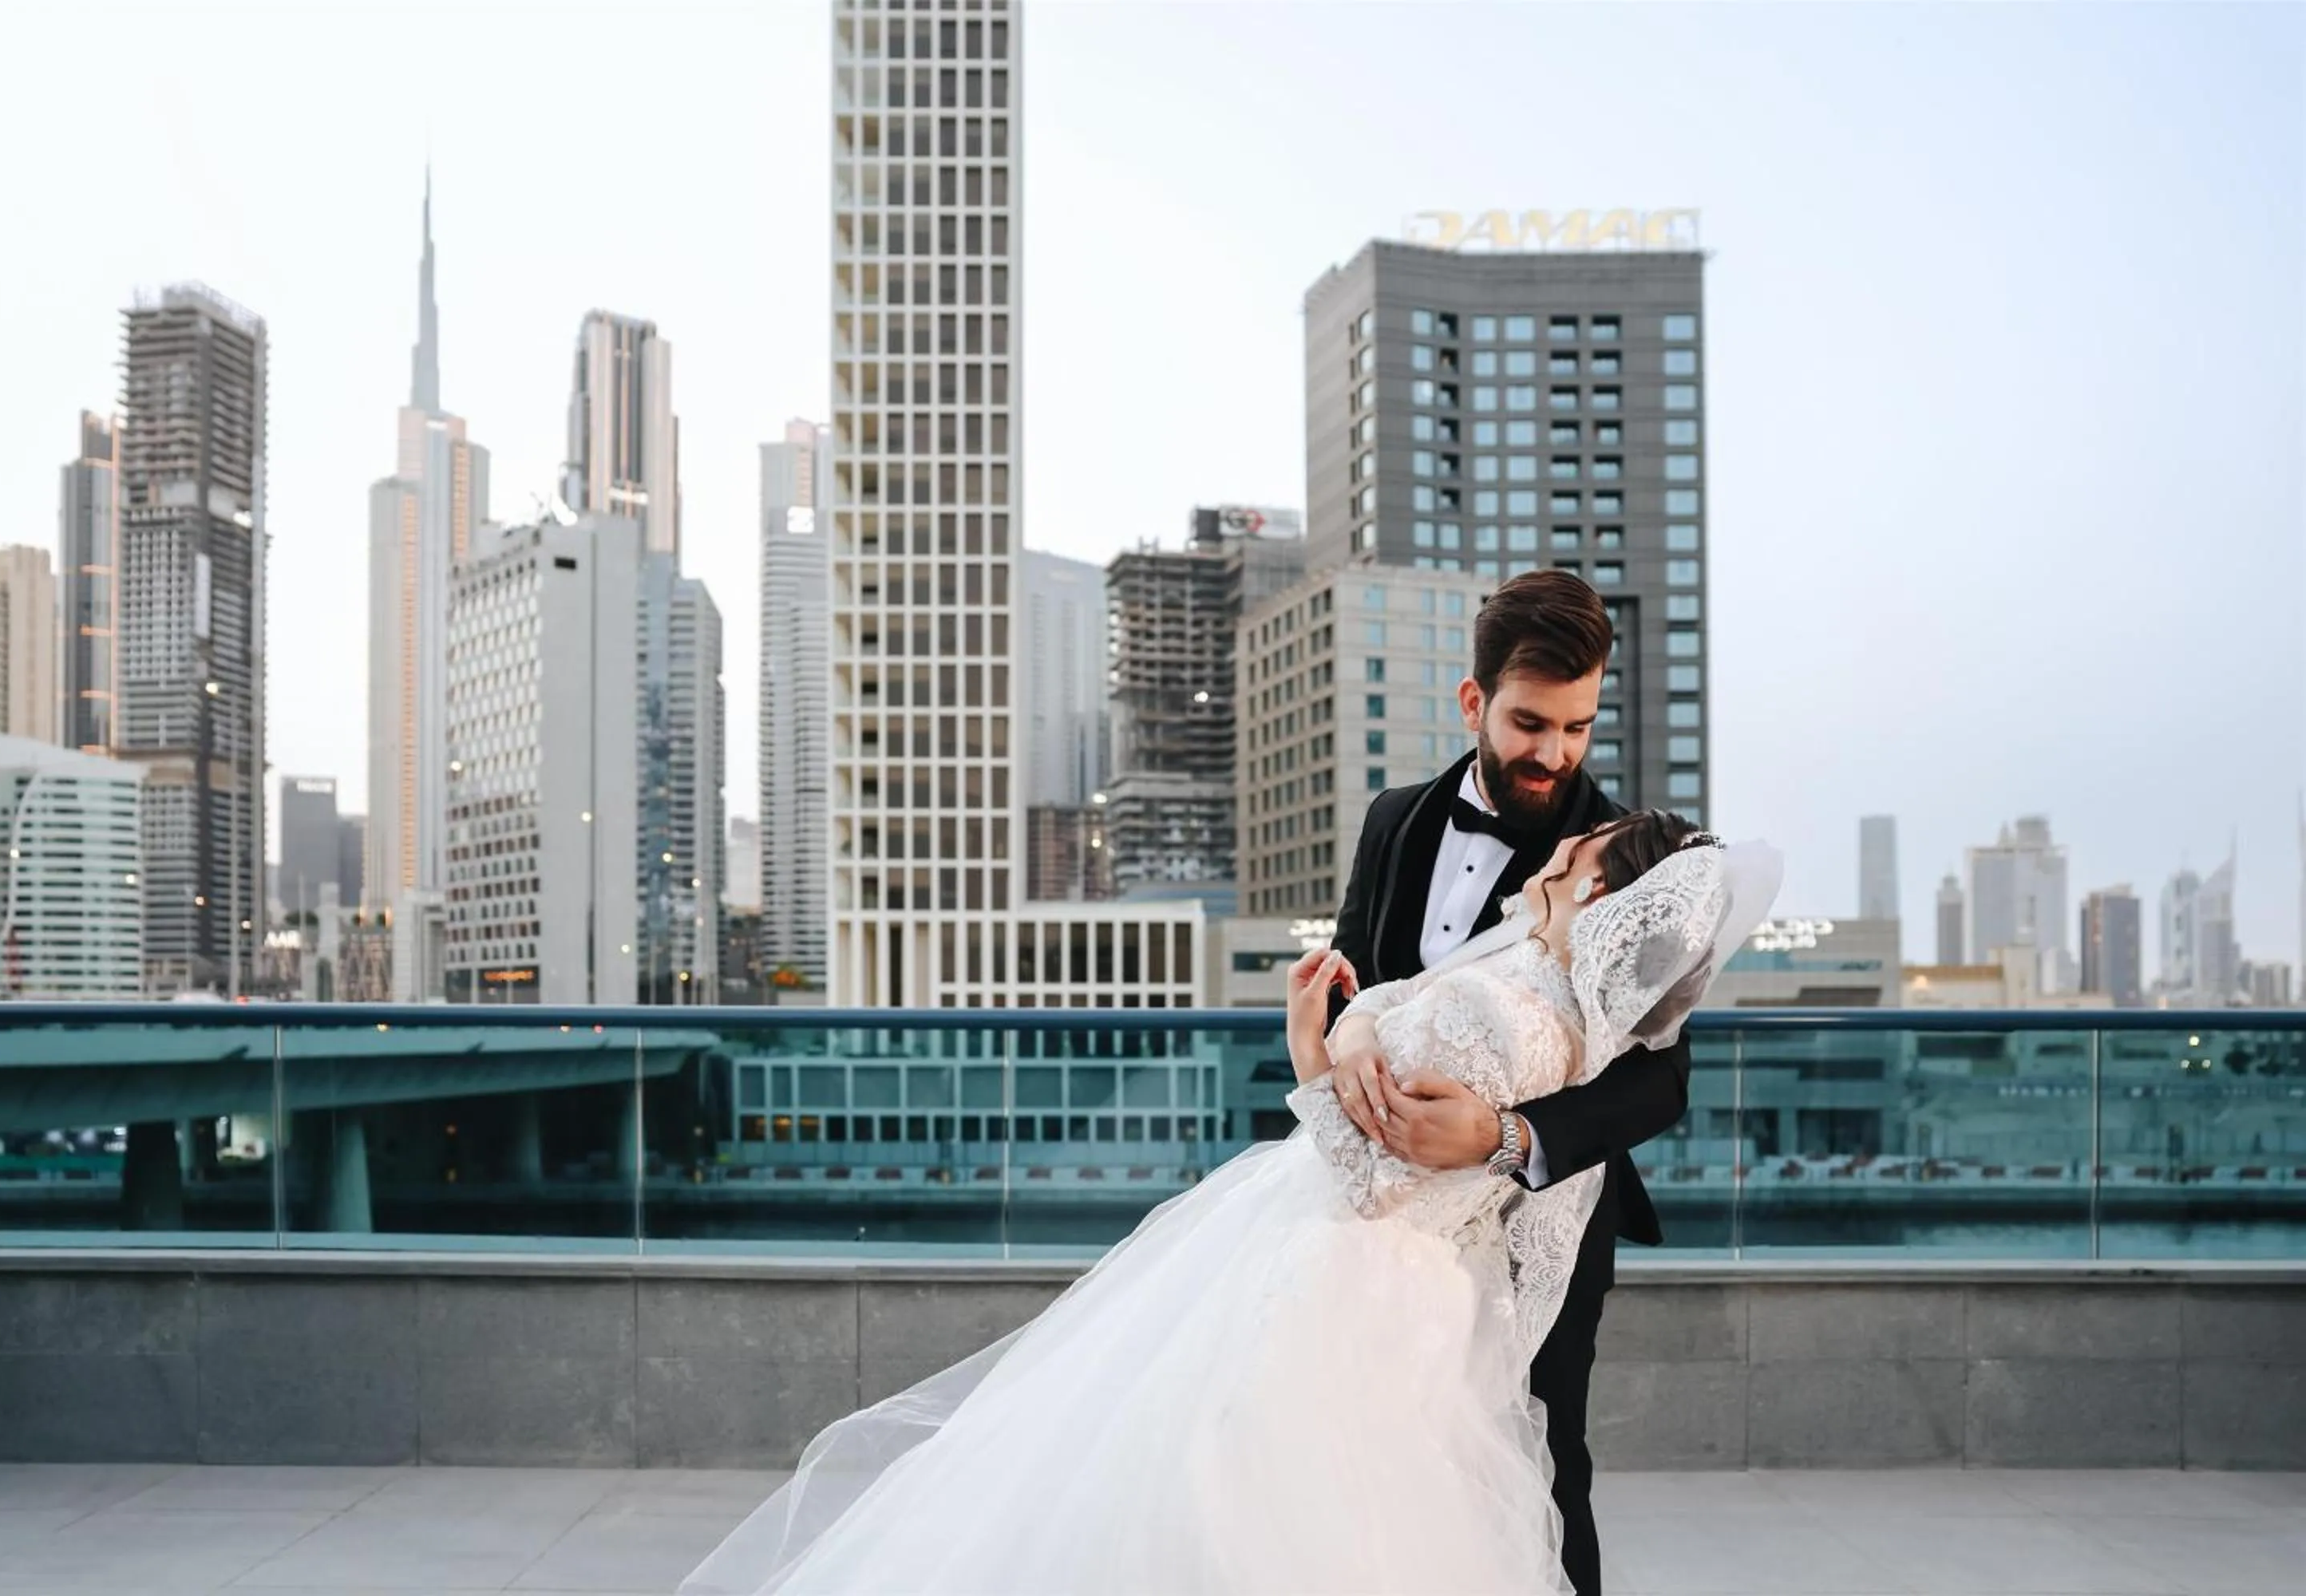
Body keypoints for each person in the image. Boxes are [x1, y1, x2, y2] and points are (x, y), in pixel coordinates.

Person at [679, 812, 1780, 1594]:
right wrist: (1352, 1034)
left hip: (1345, 1274)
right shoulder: (1519, 972)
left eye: (1582, 851)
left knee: (1220, 1495)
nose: (1559, 850)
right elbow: (1389, 1027)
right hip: (1365, 1266)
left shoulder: (1515, 1019)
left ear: (1599, 889)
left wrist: (1311, 1055)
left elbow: (1378, 1174)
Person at [1319, 569, 1689, 1596]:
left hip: (1539, 1226)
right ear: (1473, 700)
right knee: (1376, 1464)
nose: (1556, 753)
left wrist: (1505, 1136)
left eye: (1578, 726)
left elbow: (1663, 1082)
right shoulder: (1394, 818)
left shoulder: (1623, 858)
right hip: (1387, 1224)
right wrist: (1347, 1037)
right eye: (1531, 722)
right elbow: (1355, 976)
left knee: (1542, 1472)